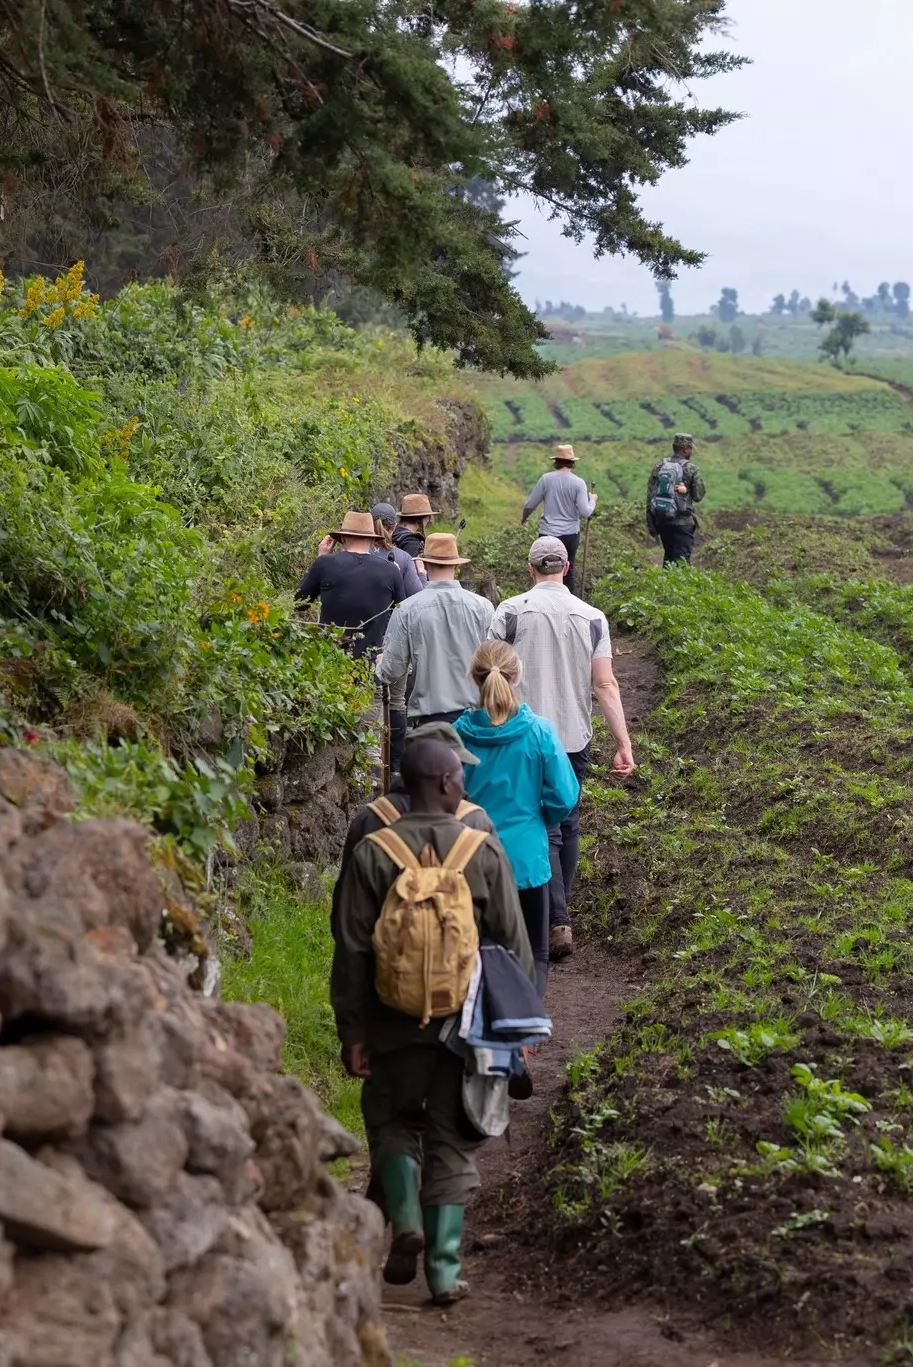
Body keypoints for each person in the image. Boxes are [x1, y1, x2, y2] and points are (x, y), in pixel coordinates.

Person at [332, 736, 532, 1307]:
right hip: (463, 1026)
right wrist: (512, 1031)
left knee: (393, 1121)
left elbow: (350, 948)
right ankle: (443, 1272)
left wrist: (353, 1031)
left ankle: (404, 1218)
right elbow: (514, 947)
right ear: (446, 783)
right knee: (453, 1140)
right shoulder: (481, 850)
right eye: (460, 779)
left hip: (390, 1020)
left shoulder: (374, 849)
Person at [489, 536, 636, 962]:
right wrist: (623, 743)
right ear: (566, 568)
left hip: (521, 735)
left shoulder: (511, 611)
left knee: (536, 824)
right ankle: (559, 914)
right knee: (566, 823)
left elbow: (488, 675)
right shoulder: (592, 617)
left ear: (530, 569)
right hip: (573, 737)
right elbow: (605, 684)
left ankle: (552, 917)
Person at [454, 641, 579, 994]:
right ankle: (527, 1035)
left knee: (477, 951)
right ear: (517, 674)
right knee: (535, 952)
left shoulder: (457, 735)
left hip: (472, 858)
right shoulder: (538, 730)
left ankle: (483, 1026)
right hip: (526, 859)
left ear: (474, 678)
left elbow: (443, 799)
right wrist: (541, 817)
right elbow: (565, 795)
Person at [375, 533, 494, 731]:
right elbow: (494, 660)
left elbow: (393, 669)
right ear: (456, 565)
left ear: (425, 565)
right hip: (477, 716)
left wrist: (380, 666)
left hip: (430, 718)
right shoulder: (483, 607)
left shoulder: (407, 609)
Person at [295, 510, 406, 657]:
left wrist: (320, 558)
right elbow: (403, 615)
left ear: (342, 538)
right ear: (372, 540)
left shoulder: (325, 564)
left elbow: (299, 603)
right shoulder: (391, 570)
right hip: (369, 662)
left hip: (330, 660)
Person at [520, 444, 597, 591]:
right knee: (567, 571)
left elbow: (530, 504)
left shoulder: (546, 479)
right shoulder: (578, 483)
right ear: (573, 462)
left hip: (547, 534)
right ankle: (569, 607)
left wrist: (524, 518)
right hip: (570, 535)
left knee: (542, 570)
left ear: (556, 461)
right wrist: (592, 500)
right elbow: (585, 512)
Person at [644, 433, 705, 567]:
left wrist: (650, 522)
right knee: (682, 562)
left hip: (662, 520)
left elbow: (650, 495)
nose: (691, 452)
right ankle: (678, 587)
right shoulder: (691, 468)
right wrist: (686, 491)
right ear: (685, 449)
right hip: (682, 522)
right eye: (690, 449)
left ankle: (665, 585)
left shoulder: (659, 466)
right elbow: (698, 496)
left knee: (669, 558)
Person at [369, 503, 425, 598]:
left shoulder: (358, 551)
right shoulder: (404, 558)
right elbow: (419, 596)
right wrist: (422, 573)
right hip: (393, 612)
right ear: (395, 526)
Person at [395, 493, 438, 561]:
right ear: (422, 518)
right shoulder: (412, 543)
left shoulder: (392, 532)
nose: (428, 521)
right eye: (428, 517)